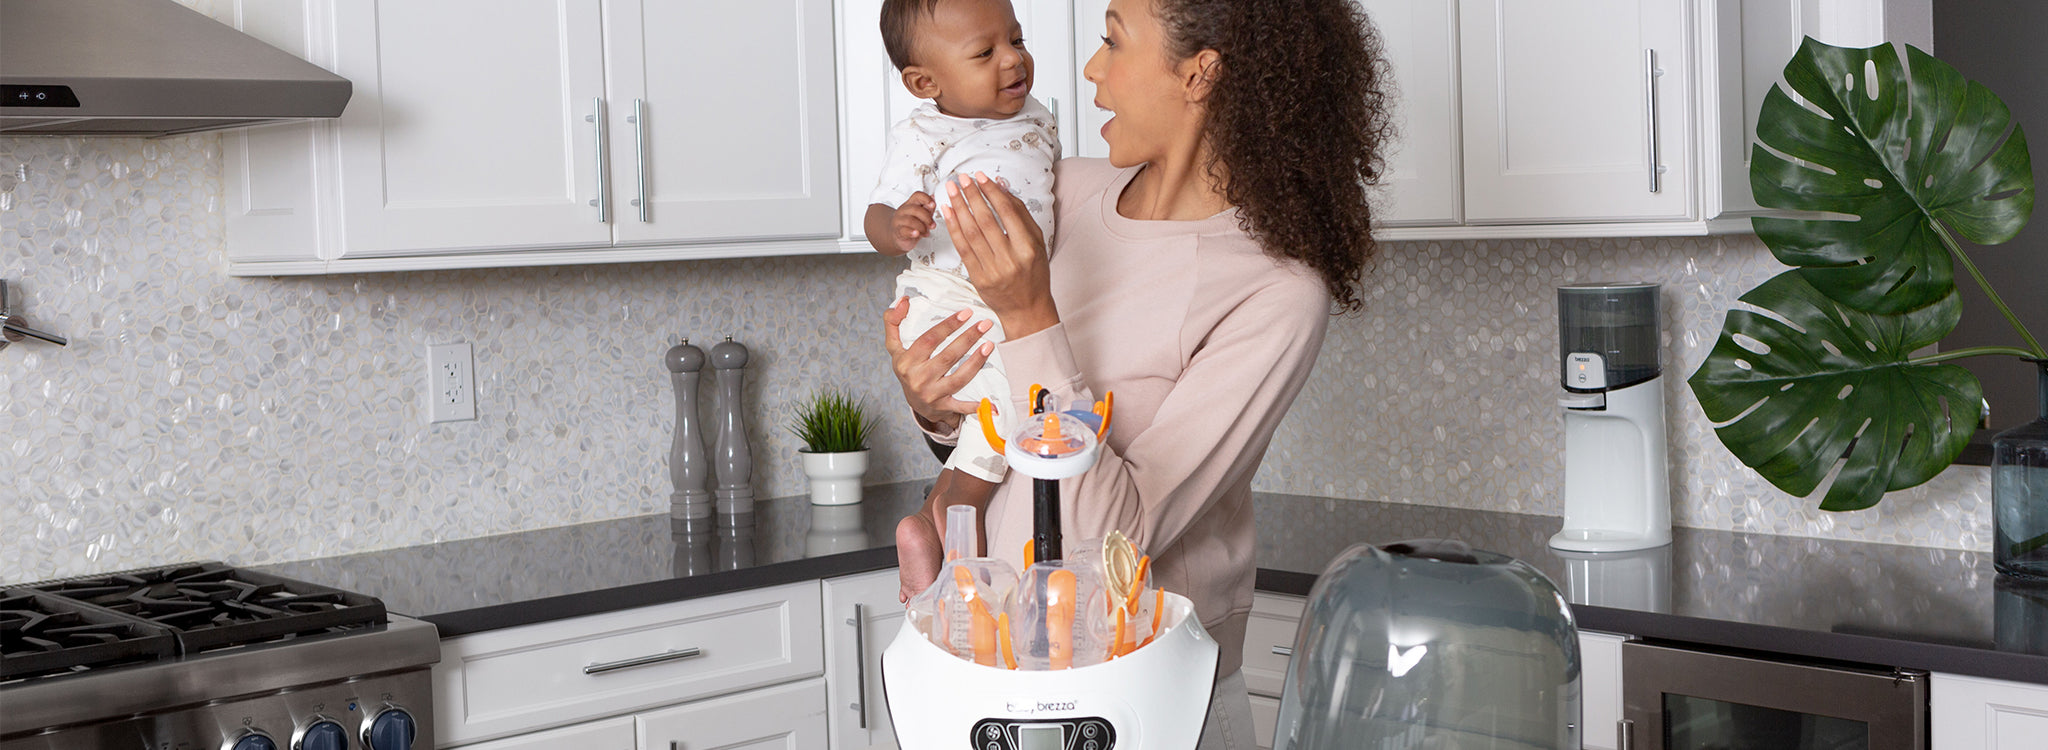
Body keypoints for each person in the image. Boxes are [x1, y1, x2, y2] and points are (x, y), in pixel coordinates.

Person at [888, 0, 1391, 747]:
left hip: (1152, 705)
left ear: (1200, 73)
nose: (1091, 69)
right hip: (992, 683)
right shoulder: (1056, 192)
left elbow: (1111, 541)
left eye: (1113, 40)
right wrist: (933, 403)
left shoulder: (1276, 292)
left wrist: (1032, 315)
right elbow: (995, 426)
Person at [866, 0, 1061, 536]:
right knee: (1013, 395)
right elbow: (876, 216)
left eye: (1016, 41)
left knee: (1000, 407)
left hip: (999, 298)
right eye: (985, 52)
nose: (1013, 60)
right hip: (944, 294)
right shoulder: (924, 135)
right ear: (925, 82)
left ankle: (935, 524)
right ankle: (961, 512)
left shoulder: (1039, 116)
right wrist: (898, 225)